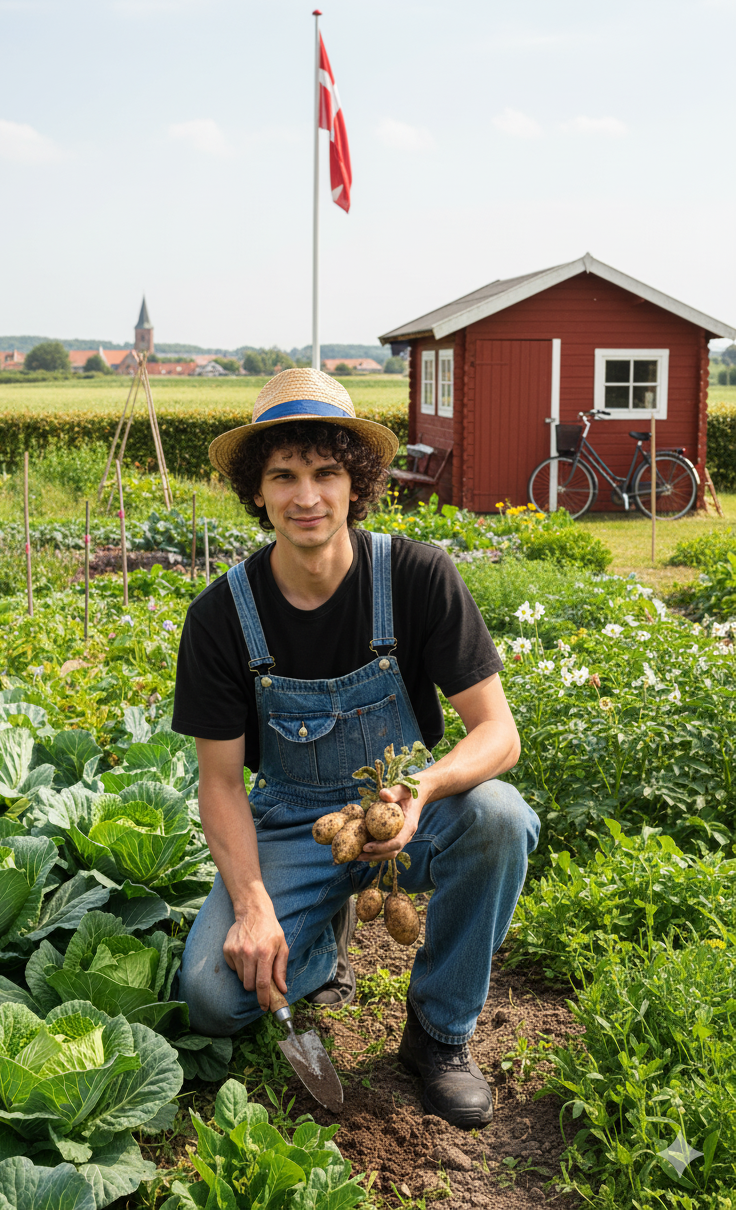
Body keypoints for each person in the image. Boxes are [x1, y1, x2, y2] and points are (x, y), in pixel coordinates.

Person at [173, 368, 540, 1129]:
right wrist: (252, 909)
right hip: (295, 824)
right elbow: (219, 784)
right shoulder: (220, 616)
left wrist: (422, 791)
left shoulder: (414, 576)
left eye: (325, 472)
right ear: (259, 491)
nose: (306, 497)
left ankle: (439, 1034)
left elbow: (497, 732)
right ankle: (312, 943)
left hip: (400, 806)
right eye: (284, 476)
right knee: (212, 997)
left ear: (357, 482)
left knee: (502, 819)